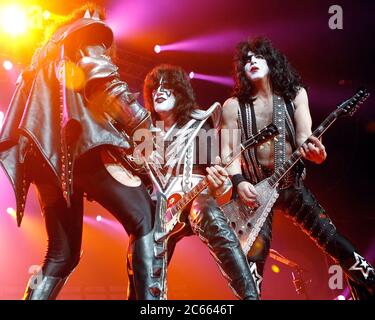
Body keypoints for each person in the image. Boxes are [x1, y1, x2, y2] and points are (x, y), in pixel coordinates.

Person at [0, 3, 164, 300]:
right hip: (81, 148)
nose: (100, 24)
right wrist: (143, 126)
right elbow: (108, 84)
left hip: (43, 158)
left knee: (62, 256)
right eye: (96, 17)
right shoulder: (86, 32)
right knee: (146, 219)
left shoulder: (41, 54)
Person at [221, 37, 375, 299]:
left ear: (271, 61)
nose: (252, 61)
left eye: (257, 56)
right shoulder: (232, 106)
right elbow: (227, 152)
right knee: (253, 259)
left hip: (291, 185)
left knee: (336, 243)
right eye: (246, 59)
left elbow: (305, 138)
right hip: (254, 193)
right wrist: (237, 180)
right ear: (241, 70)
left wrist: (317, 153)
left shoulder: (295, 95)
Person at [126, 64, 259, 300]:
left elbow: (222, 185)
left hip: (194, 198)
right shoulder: (146, 133)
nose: (159, 91)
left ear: (180, 92)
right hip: (157, 211)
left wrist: (221, 186)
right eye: (155, 87)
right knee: (139, 256)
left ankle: (250, 296)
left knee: (206, 211)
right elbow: (140, 182)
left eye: (167, 86)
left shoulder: (199, 124)